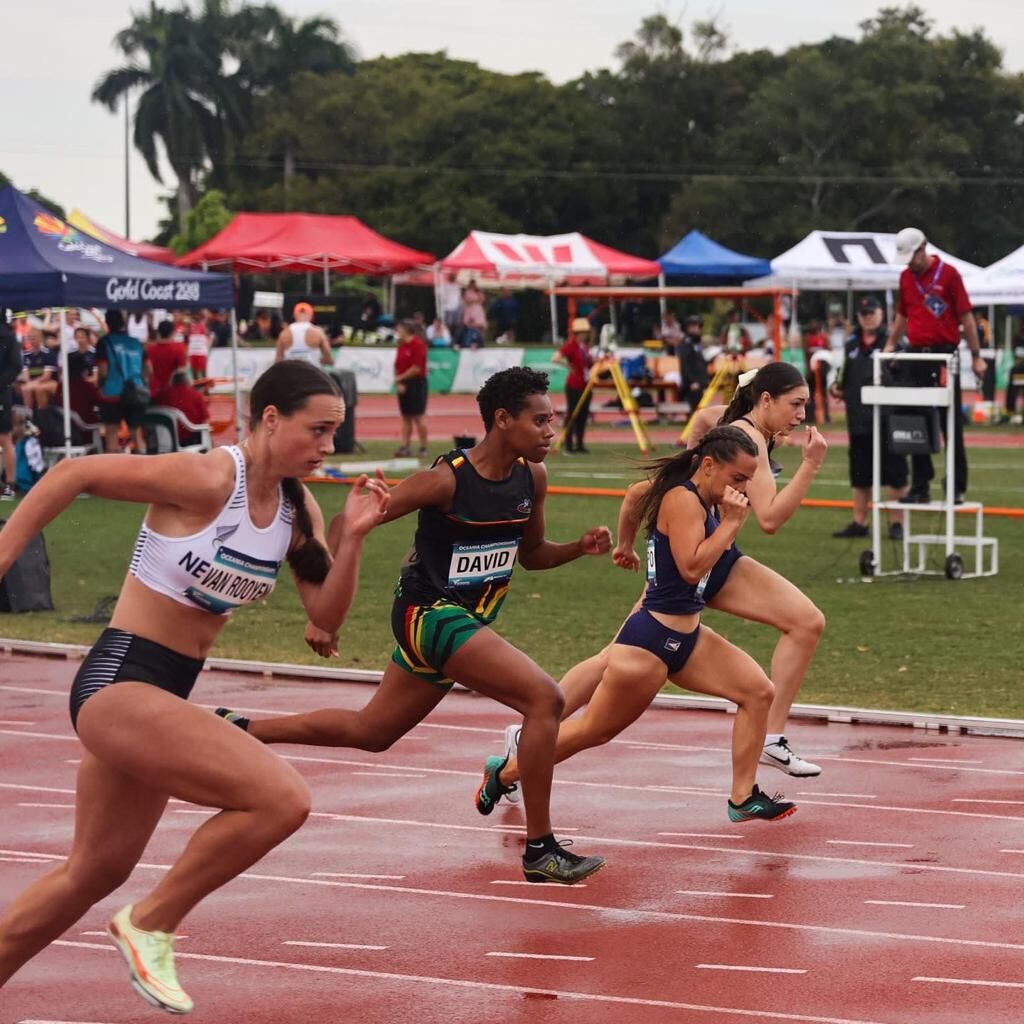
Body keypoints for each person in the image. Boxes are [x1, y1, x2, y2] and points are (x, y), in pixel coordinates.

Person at [0, 360, 389, 1014]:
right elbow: (73, 473)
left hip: (159, 698)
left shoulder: (298, 511)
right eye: (317, 430)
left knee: (93, 872)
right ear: (271, 418)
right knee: (280, 800)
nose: (329, 446)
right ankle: (152, 922)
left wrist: (352, 538)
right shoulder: (210, 478)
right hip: (120, 683)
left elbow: (325, 616)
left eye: (335, 433)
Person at [215, 367, 611, 885]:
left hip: (463, 621)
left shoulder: (531, 479)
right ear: (502, 419)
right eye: (539, 421)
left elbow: (532, 555)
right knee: (545, 700)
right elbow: (351, 521)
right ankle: (540, 850)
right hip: (426, 614)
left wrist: (578, 549)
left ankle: (242, 727)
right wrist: (325, 607)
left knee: (372, 731)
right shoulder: (446, 479)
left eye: (552, 421)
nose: (550, 432)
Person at [501, 362, 828, 782]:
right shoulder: (749, 439)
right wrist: (810, 467)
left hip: (710, 553)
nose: (802, 415)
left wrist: (624, 544)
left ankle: (527, 733)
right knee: (804, 622)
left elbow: (641, 492)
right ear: (766, 400)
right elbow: (769, 518)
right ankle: (771, 739)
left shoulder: (741, 431)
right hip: (704, 557)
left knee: (616, 654)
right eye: (796, 404)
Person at [487, 426, 797, 822]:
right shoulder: (683, 501)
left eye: (748, 481)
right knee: (593, 731)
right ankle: (506, 772)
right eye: (737, 478)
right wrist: (733, 526)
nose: (743, 489)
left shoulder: (708, 497)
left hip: (690, 638)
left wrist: (626, 544)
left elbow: (636, 495)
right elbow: (691, 568)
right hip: (651, 641)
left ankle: (742, 797)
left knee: (758, 693)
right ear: (707, 465)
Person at [883, 226, 984, 504]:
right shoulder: (906, 277)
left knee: (950, 424)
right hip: (916, 355)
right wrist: (891, 345)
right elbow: (902, 316)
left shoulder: (949, 274)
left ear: (924, 247)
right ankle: (920, 485)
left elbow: (966, 317)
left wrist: (976, 356)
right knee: (915, 419)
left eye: (913, 256)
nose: (910, 264)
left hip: (944, 355)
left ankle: (956, 486)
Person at [831, 297, 908, 540]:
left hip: (888, 417)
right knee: (860, 473)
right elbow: (843, 375)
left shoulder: (892, 342)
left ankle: (897, 524)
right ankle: (859, 522)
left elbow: (902, 374)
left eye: (871, 312)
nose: (867, 316)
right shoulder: (851, 344)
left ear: (881, 315)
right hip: (859, 418)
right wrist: (838, 387)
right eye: (863, 313)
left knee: (895, 471)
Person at [95, 310, 151, 454]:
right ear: (123, 323)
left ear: (107, 323)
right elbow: (149, 370)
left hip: (111, 393)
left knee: (112, 435)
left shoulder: (104, 343)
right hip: (136, 392)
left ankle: (113, 473)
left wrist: (100, 385)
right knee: (137, 434)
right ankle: (142, 469)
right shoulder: (136, 343)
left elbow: (103, 371)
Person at [554, 317, 594, 453]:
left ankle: (580, 443)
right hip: (574, 385)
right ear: (576, 333)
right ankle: (568, 444)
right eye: (581, 332)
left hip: (586, 384)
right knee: (572, 414)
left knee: (583, 414)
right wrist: (569, 365)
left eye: (585, 332)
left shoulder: (586, 348)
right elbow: (555, 358)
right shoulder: (571, 346)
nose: (584, 334)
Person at [393, 318, 429, 458]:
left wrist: (400, 378)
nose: (398, 332)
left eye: (400, 329)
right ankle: (405, 446)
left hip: (416, 383)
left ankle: (423, 447)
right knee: (406, 416)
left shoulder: (418, 345)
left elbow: (416, 368)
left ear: (407, 330)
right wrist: (399, 383)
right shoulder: (402, 345)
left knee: (418, 417)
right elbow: (397, 365)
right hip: (404, 383)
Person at [154, 369, 211, 446]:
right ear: (188, 381)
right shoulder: (196, 396)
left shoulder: (162, 396)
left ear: (172, 381)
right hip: (191, 440)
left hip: (166, 440)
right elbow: (205, 420)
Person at [0, 316, 22, 500]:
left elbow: (16, 365)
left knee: (4, 438)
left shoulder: (7, 336)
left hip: (1, 393)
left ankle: (10, 484)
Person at [276, 302, 333, 367]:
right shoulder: (318, 332)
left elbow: (278, 360)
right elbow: (329, 360)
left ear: (294, 315)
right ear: (311, 316)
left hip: (291, 375)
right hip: (312, 374)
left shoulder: (284, 333)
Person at [146, 320, 187, 398]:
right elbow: (181, 371)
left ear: (158, 332)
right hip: (172, 391)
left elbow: (149, 371)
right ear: (173, 332)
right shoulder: (179, 349)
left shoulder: (150, 349)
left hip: (155, 390)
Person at [678, 315, 710, 411]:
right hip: (693, 383)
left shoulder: (697, 343)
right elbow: (685, 365)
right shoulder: (686, 344)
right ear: (688, 328)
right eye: (695, 326)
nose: (698, 329)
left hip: (701, 381)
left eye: (699, 326)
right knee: (695, 408)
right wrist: (692, 381)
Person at [460, 279, 487, 348]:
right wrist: (475, 301)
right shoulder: (468, 292)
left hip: (478, 310)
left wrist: (479, 293)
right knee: (471, 326)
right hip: (471, 310)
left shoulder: (478, 291)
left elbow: (482, 299)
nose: (473, 286)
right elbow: (467, 300)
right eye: (472, 284)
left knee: (481, 326)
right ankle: (470, 341)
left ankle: (481, 342)